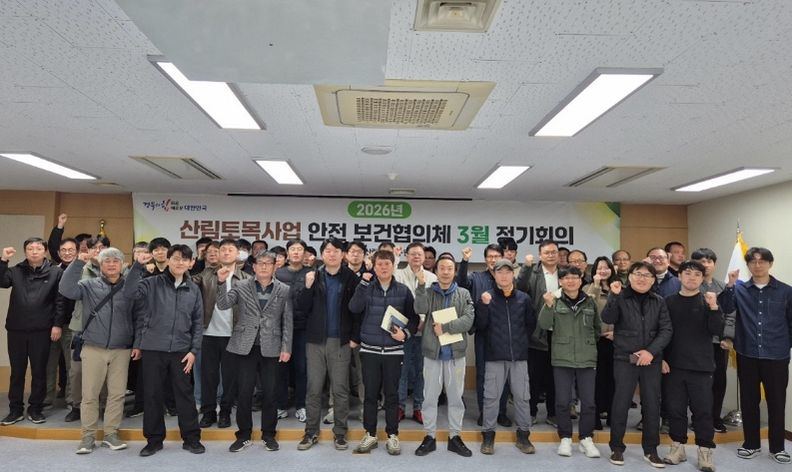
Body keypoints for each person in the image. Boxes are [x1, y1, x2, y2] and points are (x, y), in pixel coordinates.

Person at [125, 244, 205, 457]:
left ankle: (192, 439)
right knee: (152, 395)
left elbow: (198, 323)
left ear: (191, 263)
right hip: (153, 348)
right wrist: (137, 267)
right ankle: (153, 440)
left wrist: (193, 351)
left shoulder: (193, 289)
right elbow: (129, 292)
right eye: (176, 258)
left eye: (184, 259)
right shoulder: (151, 283)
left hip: (182, 351)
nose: (180, 262)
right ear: (168, 260)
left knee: (184, 395)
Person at [59, 247, 140, 454]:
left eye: (115, 261)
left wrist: (137, 343)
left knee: (117, 394)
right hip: (93, 346)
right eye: (107, 261)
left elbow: (139, 315)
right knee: (89, 394)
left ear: (122, 265)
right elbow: (66, 289)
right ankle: (87, 436)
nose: (111, 264)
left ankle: (111, 433)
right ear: (100, 265)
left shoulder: (130, 286)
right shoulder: (89, 285)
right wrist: (78, 262)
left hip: (121, 348)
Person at [216, 250, 292, 453]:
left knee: (270, 393)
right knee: (244, 392)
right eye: (260, 263)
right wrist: (222, 283)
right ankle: (243, 435)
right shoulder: (241, 285)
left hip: (272, 346)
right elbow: (223, 304)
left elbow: (287, 321)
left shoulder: (284, 289)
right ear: (254, 267)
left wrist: (286, 348)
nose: (264, 266)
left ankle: (269, 435)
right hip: (245, 346)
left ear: (275, 266)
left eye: (268, 263)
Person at [722, 247, 792, 464]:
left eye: (762, 261)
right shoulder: (739, 289)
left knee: (776, 402)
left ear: (770, 264)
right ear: (748, 265)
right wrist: (730, 285)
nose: (757, 265)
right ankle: (751, 444)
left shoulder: (786, 291)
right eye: (752, 262)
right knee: (749, 401)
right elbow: (724, 308)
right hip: (747, 354)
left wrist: (786, 346)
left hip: (777, 356)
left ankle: (777, 447)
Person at [601, 261, 672, 468]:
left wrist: (650, 352)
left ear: (653, 280)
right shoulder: (620, 296)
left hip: (651, 359)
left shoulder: (659, 301)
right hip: (625, 358)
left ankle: (651, 450)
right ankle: (616, 448)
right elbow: (607, 317)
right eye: (638, 274)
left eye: (647, 275)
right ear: (630, 277)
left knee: (652, 404)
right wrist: (614, 296)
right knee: (621, 403)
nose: (642, 278)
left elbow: (666, 330)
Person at [348, 249, 418, 455]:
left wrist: (405, 334)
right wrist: (363, 283)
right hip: (369, 350)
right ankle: (370, 434)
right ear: (374, 266)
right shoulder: (366, 287)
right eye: (380, 264)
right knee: (370, 395)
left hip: (394, 352)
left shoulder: (403, 290)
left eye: (387, 264)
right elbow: (354, 308)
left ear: (393, 266)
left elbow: (414, 319)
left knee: (392, 395)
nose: (384, 267)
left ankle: (392, 435)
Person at [295, 237, 360, 451]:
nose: (332, 254)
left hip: (341, 341)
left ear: (343, 255)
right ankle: (311, 432)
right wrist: (307, 287)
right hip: (315, 341)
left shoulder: (351, 278)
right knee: (313, 389)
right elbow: (302, 308)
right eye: (328, 251)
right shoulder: (313, 275)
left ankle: (340, 433)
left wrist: (354, 337)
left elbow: (358, 310)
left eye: (336, 250)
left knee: (340, 389)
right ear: (322, 255)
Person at [661, 260, 725, 472]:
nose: (692, 277)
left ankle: (705, 451)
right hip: (673, 365)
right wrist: (661, 358)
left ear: (702, 278)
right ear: (679, 276)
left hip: (701, 366)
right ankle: (677, 447)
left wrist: (714, 307)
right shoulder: (668, 302)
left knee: (703, 411)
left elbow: (717, 330)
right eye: (687, 273)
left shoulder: (709, 300)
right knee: (675, 409)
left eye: (697, 274)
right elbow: (660, 332)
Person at [413, 253, 474, 457]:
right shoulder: (428, 292)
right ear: (436, 271)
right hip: (432, 354)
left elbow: (468, 320)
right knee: (429, 398)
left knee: (456, 398)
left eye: (449, 268)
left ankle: (455, 436)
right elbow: (419, 308)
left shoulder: (464, 293)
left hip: (456, 354)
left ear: (455, 271)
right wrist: (421, 285)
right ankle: (429, 436)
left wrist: (446, 327)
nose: (446, 272)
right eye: (442, 268)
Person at [0, 238, 66, 425]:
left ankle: (35, 408)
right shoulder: (15, 270)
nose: (34, 251)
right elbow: (2, 282)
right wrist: (3, 260)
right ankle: (15, 410)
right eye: (30, 248)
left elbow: (60, 301)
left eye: (38, 248)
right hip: (17, 329)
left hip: (42, 330)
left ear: (45, 251)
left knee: (39, 371)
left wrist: (57, 324)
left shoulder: (56, 272)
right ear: (25, 252)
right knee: (17, 371)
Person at [539, 265, 601, 458]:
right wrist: (548, 305)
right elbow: (544, 324)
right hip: (562, 357)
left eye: (575, 277)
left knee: (589, 402)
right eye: (566, 278)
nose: (571, 281)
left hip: (586, 357)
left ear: (581, 280)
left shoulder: (590, 301)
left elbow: (596, 329)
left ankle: (586, 438)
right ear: (560, 281)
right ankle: (565, 437)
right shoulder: (554, 301)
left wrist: (587, 345)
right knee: (563, 401)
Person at [477, 259, 536, 456]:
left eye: (507, 272)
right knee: (491, 398)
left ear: (513, 274)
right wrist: (483, 306)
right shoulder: (487, 297)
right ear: (494, 275)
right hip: (494, 357)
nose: (504, 276)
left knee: (522, 397)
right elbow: (480, 326)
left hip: (519, 357)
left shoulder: (524, 299)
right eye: (499, 272)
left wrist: (520, 343)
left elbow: (531, 324)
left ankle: (523, 436)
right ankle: (488, 436)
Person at [193, 239, 247, 429]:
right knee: (208, 376)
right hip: (208, 333)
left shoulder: (246, 278)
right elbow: (188, 282)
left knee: (230, 378)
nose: (225, 252)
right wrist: (197, 263)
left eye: (230, 249)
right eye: (222, 249)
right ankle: (208, 412)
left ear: (237, 254)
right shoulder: (206, 274)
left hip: (233, 335)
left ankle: (225, 412)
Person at [457, 243, 512, 427]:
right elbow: (461, 284)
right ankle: (485, 412)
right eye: (490, 256)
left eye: (496, 256)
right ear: (485, 259)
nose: (493, 260)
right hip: (483, 332)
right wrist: (465, 261)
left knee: (504, 376)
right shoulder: (477, 277)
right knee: (483, 374)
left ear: (503, 257)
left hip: (505, 334)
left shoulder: (508, 278)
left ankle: (501, 412)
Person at [690, 248, 736, 434]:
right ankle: (697, 419)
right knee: (697, 383)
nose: (705, 265)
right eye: (701, 261)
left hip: (719, 343)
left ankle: (715, 418)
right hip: (696, 343)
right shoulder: (690, 285)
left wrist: (727, 337)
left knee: (718, 382)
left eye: (709, 261)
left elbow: (731, 314)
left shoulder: (724, 287)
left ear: (714, 264)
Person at [516, 239, 560, 426]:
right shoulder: (533, 273)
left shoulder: (565, 274)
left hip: (559, 332)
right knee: (533, 376)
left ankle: (553, 413)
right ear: (540, 255)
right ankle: (531, 411)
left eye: (554, 252)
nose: (551, 255)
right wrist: (526, 268)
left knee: (555, 377)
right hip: (537, 331)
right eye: (547, 252)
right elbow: (520, 288)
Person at [395, 242, 437, 424]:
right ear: (407, 256)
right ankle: (400, 407)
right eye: (413, 254)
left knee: (422, 371)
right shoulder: (398, 274)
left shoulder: (432, 277)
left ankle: (419, 407)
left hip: (425, 331)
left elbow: (434, 304)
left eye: (420, 254)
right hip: (402, 331)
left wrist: (422, 321)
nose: (417, 257)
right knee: (401, 371)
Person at [274, 239, 312, 423]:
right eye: (293, 249)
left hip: (304, 327)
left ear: (305, 253)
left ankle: (301, 405)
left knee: (302, 368)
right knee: (281, 367)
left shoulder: (311, 273)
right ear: (287, 253)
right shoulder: (278, 273)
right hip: (281, 327)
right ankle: (281, 406)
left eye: (300, 249)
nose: (296, 252)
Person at [583, 256, 618, 430]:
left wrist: (617, 333)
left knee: (614, 380)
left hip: (615, 341)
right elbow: (588, 306)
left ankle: (613, 415)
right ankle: (595, 416)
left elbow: (627, 314)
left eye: (606, 267)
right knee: (596, 381)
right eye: (599, 268)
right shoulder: (587, 288)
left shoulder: (619, 288)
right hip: (595, 340)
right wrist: (596, 285)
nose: (603, 271)